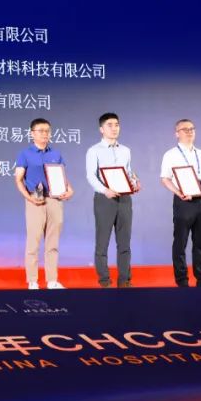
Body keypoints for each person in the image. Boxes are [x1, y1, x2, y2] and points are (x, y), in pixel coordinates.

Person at [13, 118, 73, 290]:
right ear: (32, 133)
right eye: (40, 131)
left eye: (47, 131)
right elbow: (18, 179)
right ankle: (32, 281)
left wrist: (69, 189)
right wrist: (28, 197)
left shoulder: (56, 154)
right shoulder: (25, 154)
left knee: (52, 242)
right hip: (35, 200)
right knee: (33, 241)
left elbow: (62, 176)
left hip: (55, 199)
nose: (45, 134)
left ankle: (52, 280)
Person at [84, 112, 139, 288]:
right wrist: (104, 190)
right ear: (101, 129)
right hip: (104, 199)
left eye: (117, 124)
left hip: (124, 199)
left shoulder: (126, 150)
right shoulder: (94, 151)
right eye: (110, 125)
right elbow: (91, 176)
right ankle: (104, 281)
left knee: (124, 243)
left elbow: (128, 172)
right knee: (102, 243)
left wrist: (134, 183)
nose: (114, 128)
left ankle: (125, 280)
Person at [159, 119, 201, 287]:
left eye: (192, 129)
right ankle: (182, 280)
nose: (189, 132)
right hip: (184, 202)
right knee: (180, 242)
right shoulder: (170, 155)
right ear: (176, 133)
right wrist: (179, 193)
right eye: (185, 129)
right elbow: (165, 179)